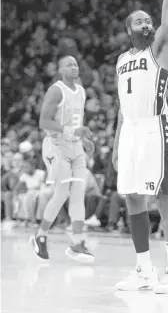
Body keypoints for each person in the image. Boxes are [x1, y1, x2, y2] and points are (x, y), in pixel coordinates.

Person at [112, 0, 168, 294]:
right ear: (129, 29)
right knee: (131, 196)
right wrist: (116, 143)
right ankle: (144, 271)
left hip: (155, 128)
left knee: (163, 196)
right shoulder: (120, 60)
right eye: (140, 20)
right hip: (129, 130)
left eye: (149, 19)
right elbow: (121, 106)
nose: (147, 22)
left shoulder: (159, 47)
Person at [30, 55, 95, 263]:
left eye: (76, 64)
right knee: (61, 194)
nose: (74, 67)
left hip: (75, 147)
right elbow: (43, 122)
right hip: (56, 145)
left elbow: (78, 121)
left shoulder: (82, 91)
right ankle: (40, 236)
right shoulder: (56, 90)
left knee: (78, 195)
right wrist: (72, 131)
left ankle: (77, 244)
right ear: (60, 70)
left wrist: (83, 140)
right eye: (69, 65)